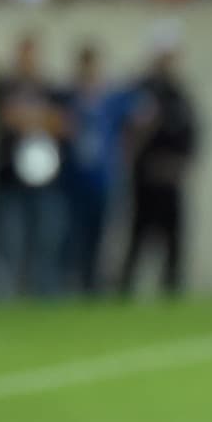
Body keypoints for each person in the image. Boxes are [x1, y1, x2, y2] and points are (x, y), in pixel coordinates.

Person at [119, 27, 200, 296]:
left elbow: (191, 132)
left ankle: (171, 287)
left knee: (173, 238)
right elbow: (131, 130)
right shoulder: (142, 90)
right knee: (139, 234)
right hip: (147, 173)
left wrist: (183, 163)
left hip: (172, 173)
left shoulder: (179, 92)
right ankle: (125, 287)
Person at [0, 33, 70, 296]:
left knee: (47, 240)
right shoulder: (4, 87)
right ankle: (9, 293)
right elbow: (7, 117)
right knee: (10, 241)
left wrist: (29, 117)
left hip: (46, 180)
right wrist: (41, 118)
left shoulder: (51, 88)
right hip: (10, 178)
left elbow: (63, 123)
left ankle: (44, 293)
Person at [61, 43, 135, 294]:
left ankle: (93, 284)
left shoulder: (111, 99)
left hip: (103, 179)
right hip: (74, 180)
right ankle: (74, 283)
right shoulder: (69, 98)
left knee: (100, 236)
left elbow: (139, 116)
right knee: (73, 235)